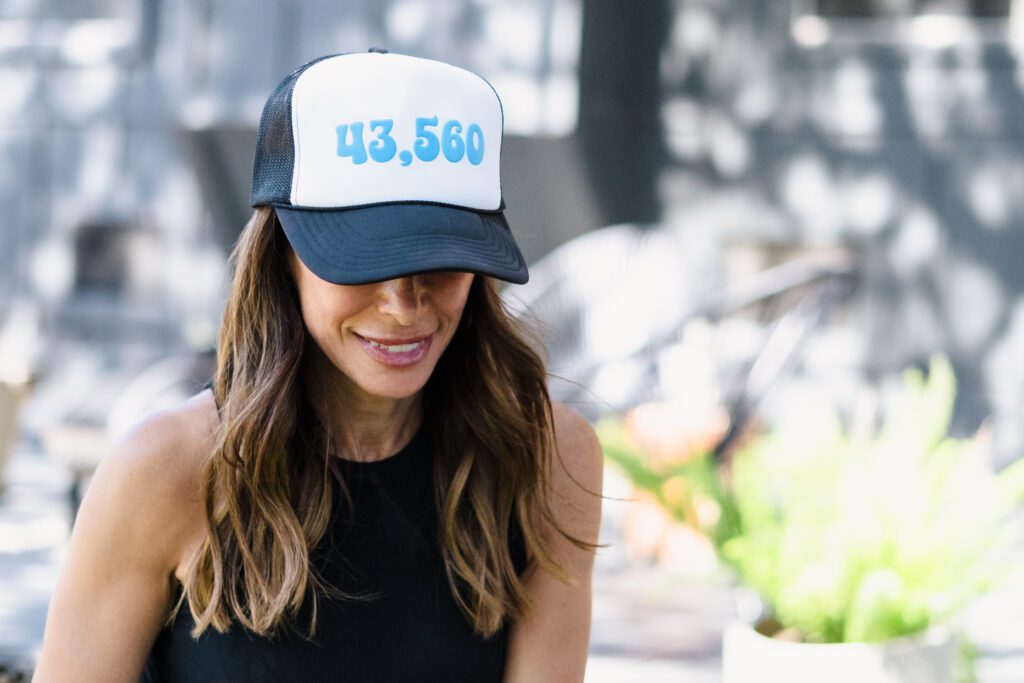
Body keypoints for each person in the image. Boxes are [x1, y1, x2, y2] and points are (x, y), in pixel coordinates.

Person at [33, 50, 603, 682]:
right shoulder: (165, 471)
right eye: (363, 261)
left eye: (439, 259)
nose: (403, 305)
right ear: (282, 257)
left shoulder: (552, 460)